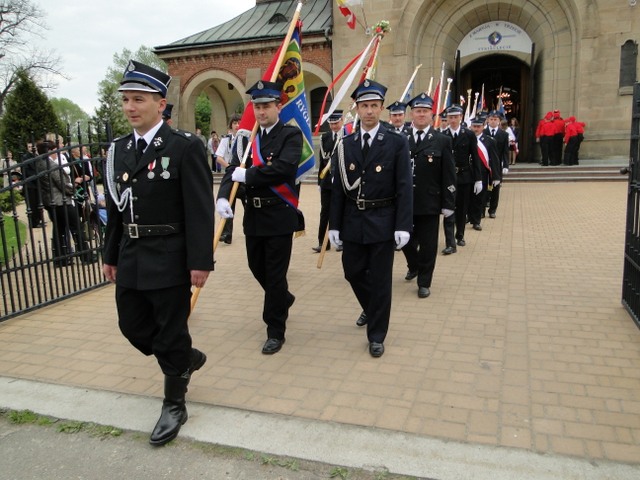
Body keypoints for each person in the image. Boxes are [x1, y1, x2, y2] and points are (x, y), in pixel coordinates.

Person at [102, 60, 214, 447]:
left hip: (170, 254)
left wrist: (200, 261)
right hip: (131, 252)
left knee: (170, 330)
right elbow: (116, 209)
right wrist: (110, 255)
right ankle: (184, 358)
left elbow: (200, 208)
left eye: (139, 99)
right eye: (126, 100)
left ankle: (174, 404)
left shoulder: (183, 146)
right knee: (132, 325)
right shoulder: (118, 149)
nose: (130, 107)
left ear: (160, 104)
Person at [216, 80, 302, 355]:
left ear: (278, 107)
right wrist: (223, 196)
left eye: (266, 106)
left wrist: (249, 175)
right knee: (256, 267)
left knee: (275, 276)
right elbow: (232, 169)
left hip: (278, 216)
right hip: (253, 216)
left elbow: (284, 169)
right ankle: (283, 298)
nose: (261, 112)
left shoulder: (290, 135)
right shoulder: (247, 138)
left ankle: (275, 329)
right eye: (257, 107)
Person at [328, 79, 413, 358]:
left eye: (374, 106)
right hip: (353, 219)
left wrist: (403, 225)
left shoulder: (396, 142)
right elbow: (338, 189)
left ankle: (377, 335)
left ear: (381, 108)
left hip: (383, 219)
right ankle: (373, 307)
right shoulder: (346, 144)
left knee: (380, 280)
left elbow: (404, 186)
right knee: (352, 271)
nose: (369, 111)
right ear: (357, 108)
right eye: (364, 106)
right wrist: (334, 225)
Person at [400, 92, 455, 298]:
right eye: (417, 111)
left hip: (430, 201)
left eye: (425, 111)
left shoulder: (442, 140)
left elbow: (448, 174)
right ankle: (414, 265)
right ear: (411, 114)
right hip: (404, 201)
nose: (421, 114)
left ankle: (424, 281)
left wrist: (448, 202)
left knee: (428, 245)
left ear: (432, 115)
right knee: (404, 240)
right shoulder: (400, 139)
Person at [442, 104, 482, 251]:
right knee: (448, 208)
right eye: (450, 117)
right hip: (448, 178)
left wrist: (478, 179)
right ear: (447, 118)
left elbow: (475, 157)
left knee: (462, 208)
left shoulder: (469, 134)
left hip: (464, 176)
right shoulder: (442, 135)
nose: (453, 120)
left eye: (455, 117)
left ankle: (460, 235)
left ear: (461, 117)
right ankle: (449, 241)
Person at [314, 110, 345, 253]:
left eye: (336, 123)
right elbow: (322, 161)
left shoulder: (348, 135)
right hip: (327, 181)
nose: (333, 126)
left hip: (343, 180)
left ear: (342, 120)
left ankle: (341, 240)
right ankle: (323, 242)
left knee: (342, 211)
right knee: (325, 212)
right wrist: (319, 181)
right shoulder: (325, 137)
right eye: (331, 124)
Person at [216, 113, 242, 244]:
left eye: (239, 123)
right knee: (228, 202)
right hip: (231, 175)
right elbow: (219, 157)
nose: (237, 125)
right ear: (230, 125)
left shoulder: (247, 138)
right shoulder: (226, 140)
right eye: (235, 123)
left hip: (244, 175)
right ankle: (226, 233)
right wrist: (230, 167)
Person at [480, 111, 509, 221]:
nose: (493, 121)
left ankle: (492, 210)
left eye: (495, 119)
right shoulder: (483, 132)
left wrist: (505, 165)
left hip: (496, 165)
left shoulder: (504, 134)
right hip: (484, 164)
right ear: (487, 120)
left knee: (495, 188)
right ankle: (481, 210)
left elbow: (505, 151)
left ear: (499, 121)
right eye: (491, 119)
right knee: (483, 188)